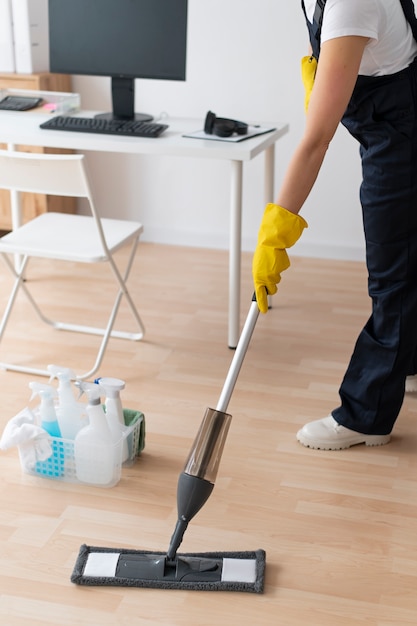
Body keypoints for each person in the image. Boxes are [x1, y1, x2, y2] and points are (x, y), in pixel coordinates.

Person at [252, 0, 417, 450]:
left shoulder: (351, 2)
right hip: (391, 125)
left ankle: (367, 417)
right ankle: (409, 361)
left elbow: (314, 142)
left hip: (402, 137)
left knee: (393, 278)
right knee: (407, 261)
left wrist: (276, 233)